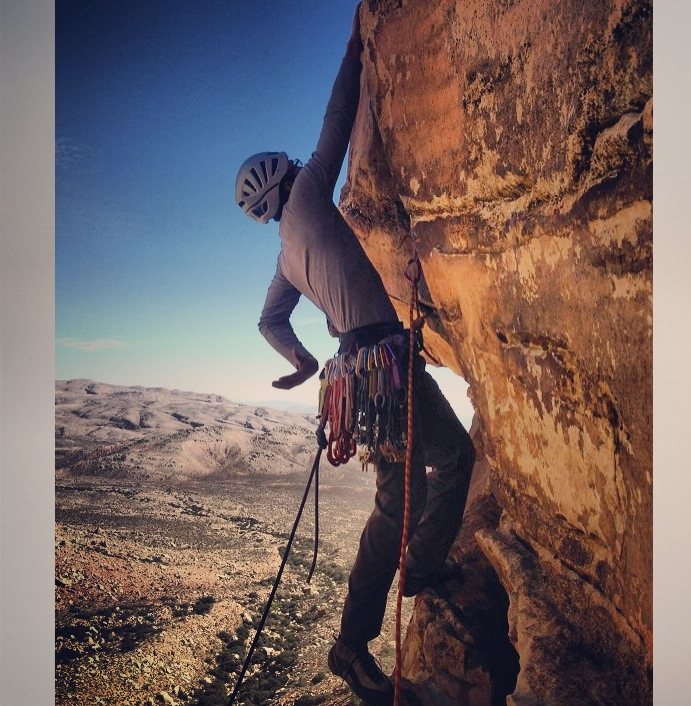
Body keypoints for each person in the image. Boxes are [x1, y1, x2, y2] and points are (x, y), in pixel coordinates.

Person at [235, 5, 474, 705]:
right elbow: (337, 122)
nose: (298, 166)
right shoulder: (309, 191)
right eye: (290, 168)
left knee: (399, 498)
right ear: (283, 178)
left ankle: (365, 626)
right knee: (450, 462)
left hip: (356, 372)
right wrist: (353, 49)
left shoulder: (286, 254)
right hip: (382, 364)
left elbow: (268, 319)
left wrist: (303, 363)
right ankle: (394, 596)